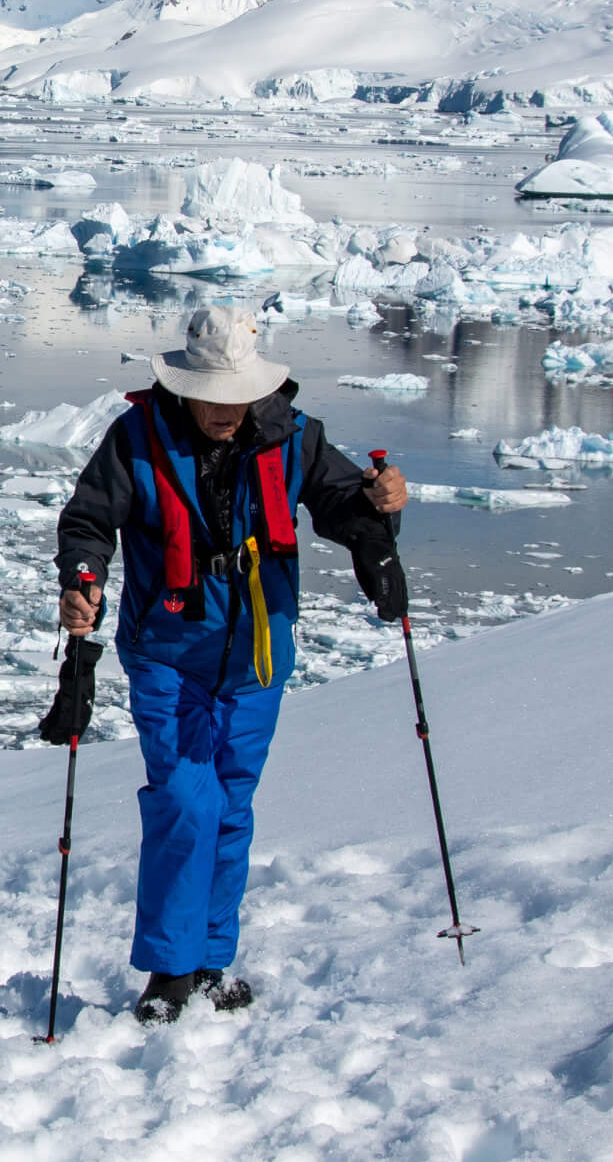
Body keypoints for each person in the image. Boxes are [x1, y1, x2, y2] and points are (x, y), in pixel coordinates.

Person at [53, 305, 408, 1024]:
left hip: (259, 655)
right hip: (167, 653)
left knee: (232, 806)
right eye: (212, 395)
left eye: (236, 394)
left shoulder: (294, 437)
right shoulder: (138, 439)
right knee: (188, 800)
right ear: (184, 386)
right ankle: (168, 970)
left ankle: (212, 958)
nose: (224, 410)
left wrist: (379, 501)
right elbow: (88, 519)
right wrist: (82, 577)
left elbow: (344, 502)